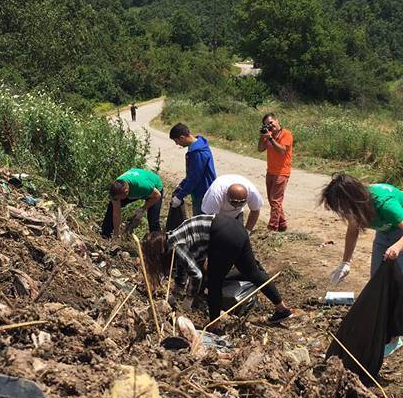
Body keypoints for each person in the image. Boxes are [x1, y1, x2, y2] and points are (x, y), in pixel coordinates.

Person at [320, 173, 403, 356]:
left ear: (352, 198)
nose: (342, 213)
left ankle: (394, 338)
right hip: (384, 236)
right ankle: (382, 331)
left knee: (395, 289)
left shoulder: (384, 203)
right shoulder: (355, 208)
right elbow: (353, 231)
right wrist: (346, 262)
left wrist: (397, 247)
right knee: (378, 286)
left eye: (341, 207)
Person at [141, 214, 290, 327]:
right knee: (252, 272)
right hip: (234, 227)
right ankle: (282, 309)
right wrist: (176, 291)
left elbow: (195, 274)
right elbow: (182, 266)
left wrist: (189, 298)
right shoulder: (172, 236)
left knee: (214, 282)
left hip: (223, 235)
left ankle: (214, 325)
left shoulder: (175, 246)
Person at [168, 123, 217, 215]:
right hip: (200, 191)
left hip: (203, 194)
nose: (176, 144)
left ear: (182, 138)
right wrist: (182, 185)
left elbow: (194, 178)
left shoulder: (197, 152)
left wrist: (180, 196)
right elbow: (192, 174)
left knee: (201, 224)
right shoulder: (197, 146)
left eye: (176, 141)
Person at [101, 167, 163, 239]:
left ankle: (158, 243)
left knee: (153, 219)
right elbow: (116, 213)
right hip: (137, 185)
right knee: (112, 206)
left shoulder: (142, 186)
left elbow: (157, 195)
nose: (118, 200)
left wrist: (143, 209)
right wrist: (116, 234)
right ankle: (105, 234)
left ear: (127, 192)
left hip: (155, 189)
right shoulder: (116, 189)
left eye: (119, 198)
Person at [257, 113, 293, 232]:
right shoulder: (269, 135)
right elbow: (260, 149)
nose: (270, 125)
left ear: (277, 120)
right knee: (272, 200)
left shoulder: (286, 134)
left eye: (271, 122)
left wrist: (271, 138)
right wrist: (263, 136)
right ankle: (282, 224)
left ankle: (272, 227)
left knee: (275, 201)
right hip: (270, 171)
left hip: (282, 172)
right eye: (267, 124)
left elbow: (282, 150)